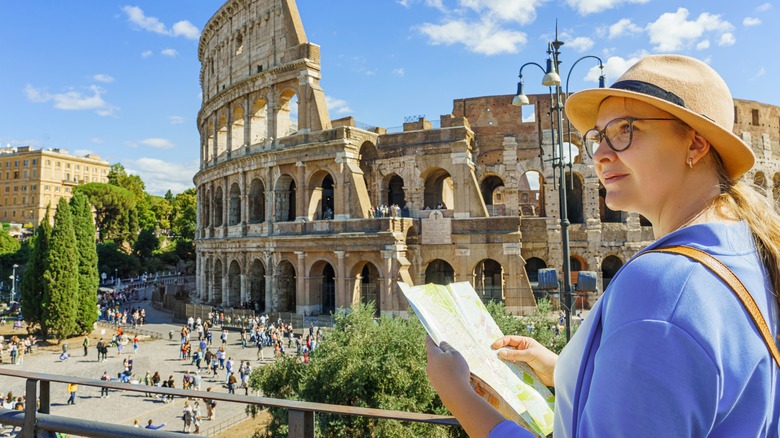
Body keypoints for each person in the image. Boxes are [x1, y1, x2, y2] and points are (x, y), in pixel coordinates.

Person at [425, 54, 780, 437]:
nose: (599, 154)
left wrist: (459, 395)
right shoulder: (746, 251)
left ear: (695, 145)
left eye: (626, 130)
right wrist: (564, 369)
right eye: (597, 136)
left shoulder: (663, 287)